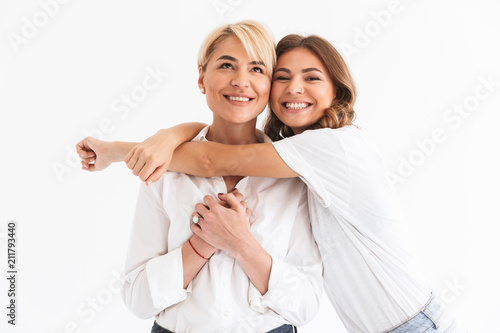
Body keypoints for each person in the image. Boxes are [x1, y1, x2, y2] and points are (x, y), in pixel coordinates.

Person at [78, 33, 467, 333]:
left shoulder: (331, 150)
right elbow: (137, 296)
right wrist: (173, 136)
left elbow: (212, 158)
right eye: (283, 76)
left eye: (311, 77)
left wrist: (118, 149)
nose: (294, 88)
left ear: (336, 90)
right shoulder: (294, 164)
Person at [77, 21, 323, 333]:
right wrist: (202, 244)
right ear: (201, 77)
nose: (240, 81)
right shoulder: (164, 171)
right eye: (226, 65)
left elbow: (306, 305)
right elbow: (138, 299)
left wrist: (240, 243)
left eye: (257, 69)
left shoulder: (294, 179)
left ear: (271, 85)